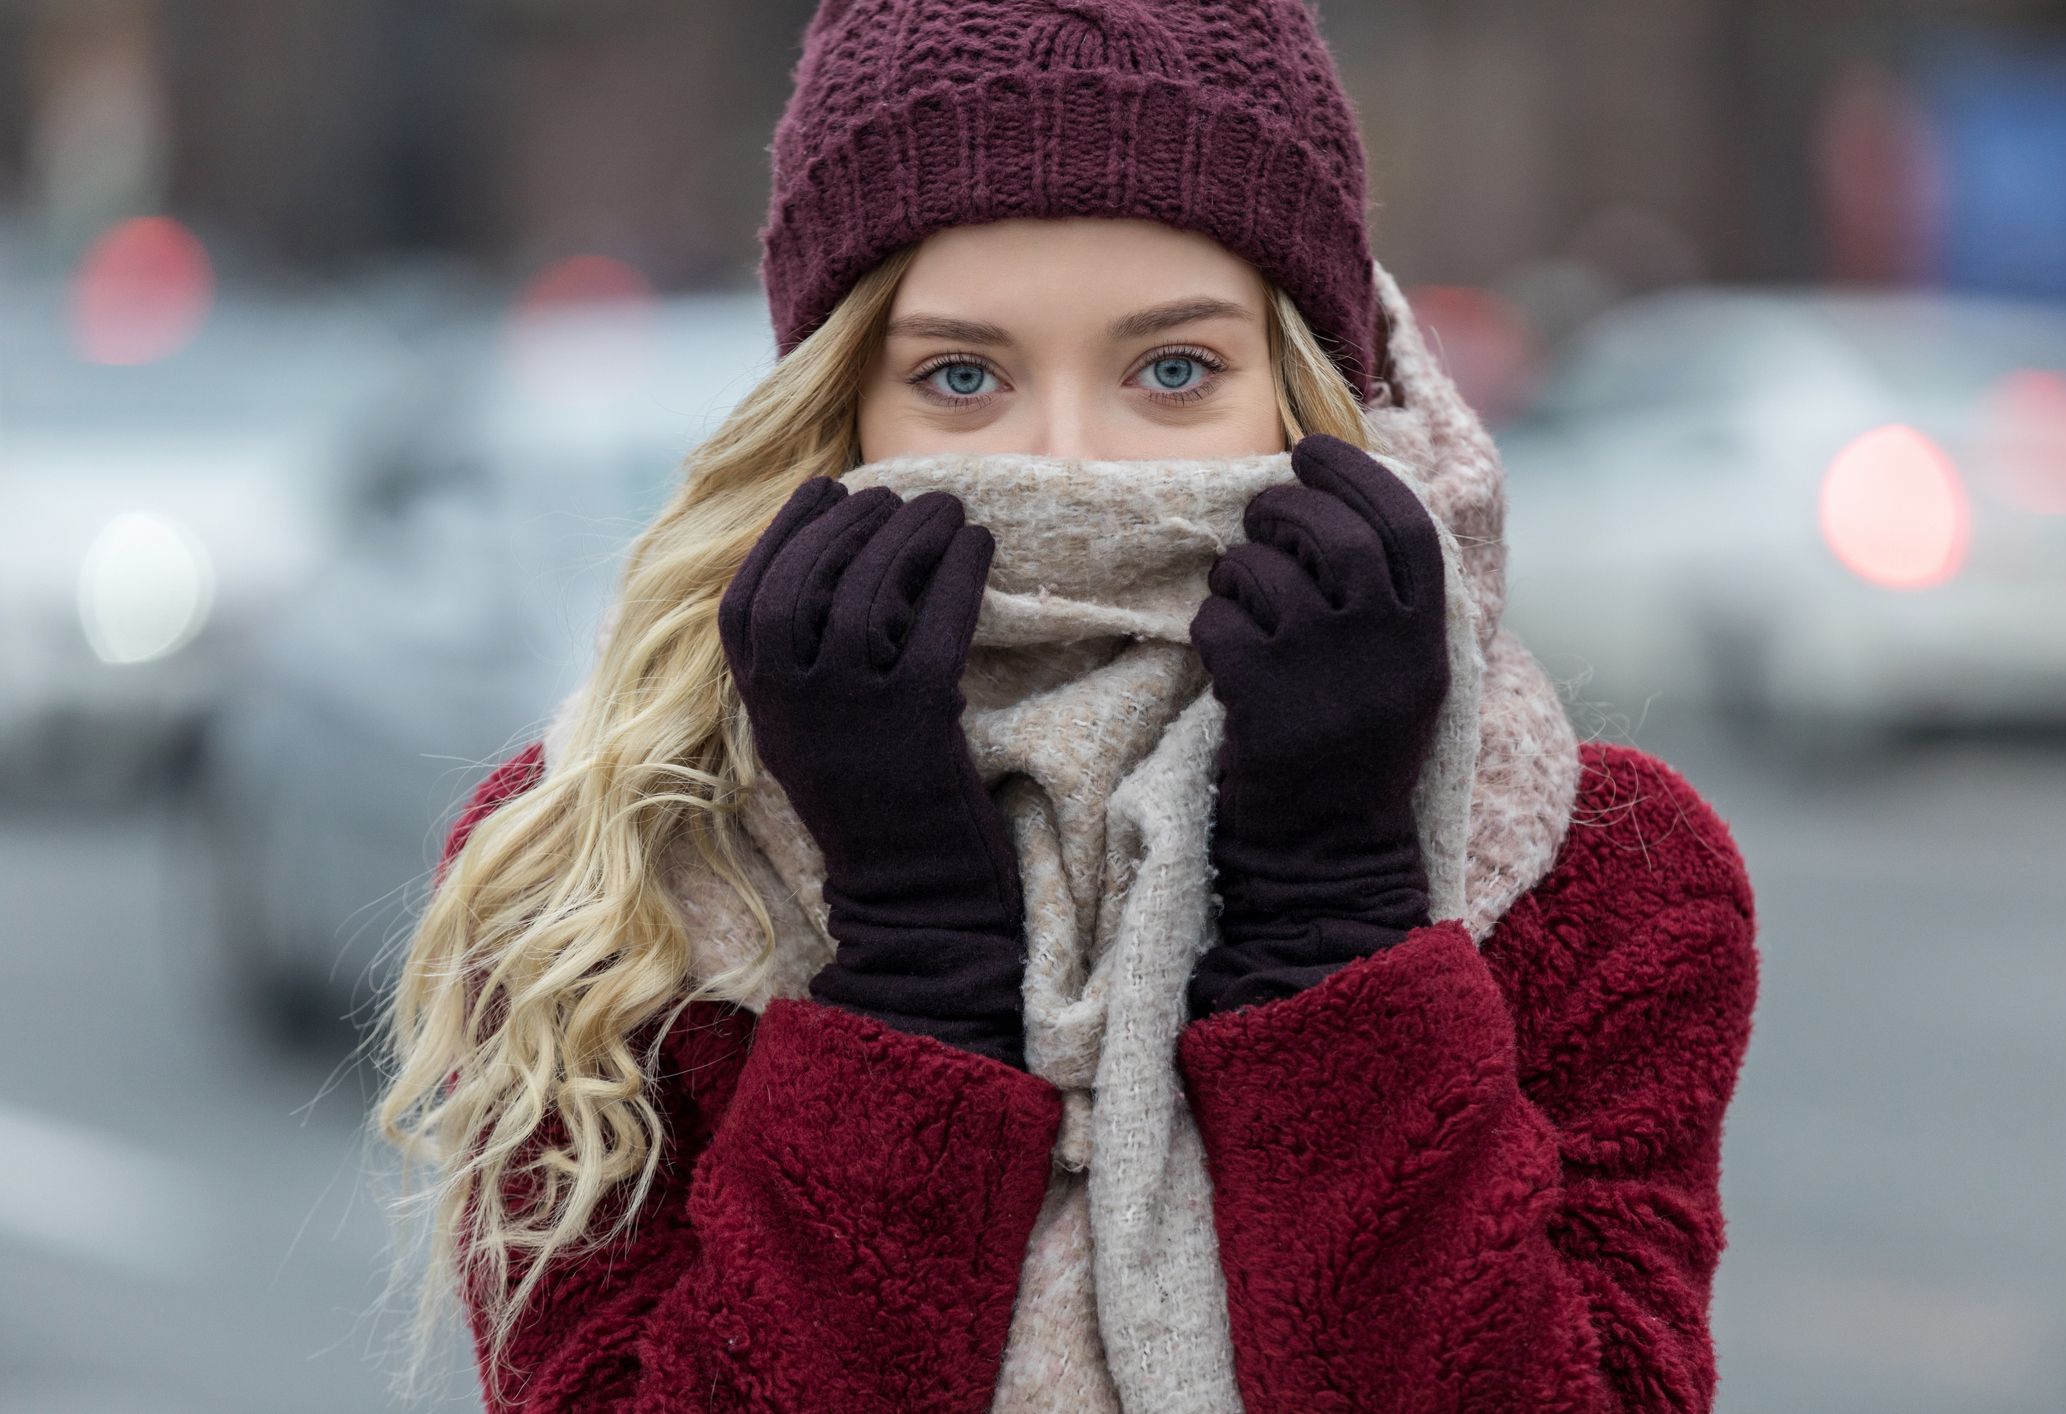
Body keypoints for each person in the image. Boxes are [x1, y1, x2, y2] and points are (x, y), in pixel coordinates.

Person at [370, 2, 1760, 1411]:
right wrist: (907, 964)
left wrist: (1338, 923)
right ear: (837, 405)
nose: (1070, 461)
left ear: (1309, 391)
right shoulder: (595, 878)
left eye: (1175, 371)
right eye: (960, 377)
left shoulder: (1604, 875)